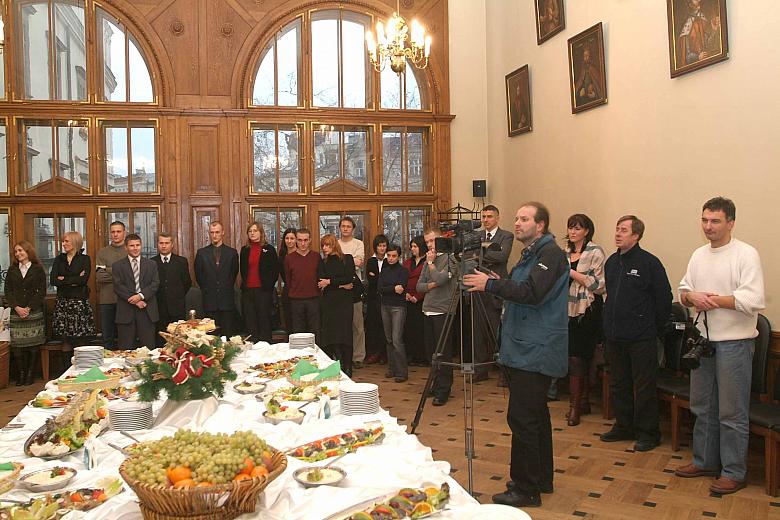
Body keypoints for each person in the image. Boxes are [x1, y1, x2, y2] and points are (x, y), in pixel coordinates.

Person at [463, 202, 568, 508]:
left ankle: (525, 488)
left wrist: (491, 284)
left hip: (536, 348)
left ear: (542, 225)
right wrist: (491, 281)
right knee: (536, 416)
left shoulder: (550, 254)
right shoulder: (532, 253)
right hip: (525, 346)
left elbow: (532, 293)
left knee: (522, 418)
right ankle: (541, 478)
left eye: (525, 219)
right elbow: (521, 287)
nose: (518, 223)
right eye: (517, 218)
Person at [675, 197, 765, 495]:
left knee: (731, 412)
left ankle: (734, 471)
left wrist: (711, 300)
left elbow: (753, 300)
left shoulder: (745, 254)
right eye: (704, 220)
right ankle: (704, 461)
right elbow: (684, 290)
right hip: (703, 342)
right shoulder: (699, 254)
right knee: (703, 406)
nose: (708, 226)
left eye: (715, 221)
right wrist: (692, 298)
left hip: (735, 344)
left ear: (731, 223)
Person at [599, 215, 672, 452]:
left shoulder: (649, 263)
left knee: (644, 387)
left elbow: (664, 299)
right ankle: (624, 426)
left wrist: (654, 328)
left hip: (642, 336)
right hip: (615, 335)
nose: (618, 234)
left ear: (636, 236)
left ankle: (648, 433)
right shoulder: (611, 262)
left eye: (623, 230)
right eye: (617, 229)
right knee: (619, 384)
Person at [563, 214, 606, 426]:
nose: (573, 232)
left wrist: (570, 272)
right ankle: (582, 401)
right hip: (567, 308)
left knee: (580, 357)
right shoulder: (566, 252)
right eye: (571, 228)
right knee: (574, 356)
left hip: (588, 309)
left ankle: (575, 407)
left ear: (586, 231)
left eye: (578, 228)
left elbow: (598, 285)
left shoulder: (595, 252)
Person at [471, 204, 514, 381]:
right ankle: (480, 371)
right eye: (484, 216)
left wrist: (479, 254)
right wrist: (484, 252)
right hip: (478, 289)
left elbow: (502, 257)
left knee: (499, 331)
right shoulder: (476, 236)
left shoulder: (507, 236)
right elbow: (469, 255)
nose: (486, 220)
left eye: (489, 216)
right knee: (478, 332)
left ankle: (505, 373)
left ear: (497, 218)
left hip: (497, 288)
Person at [417, 228, 458, 406]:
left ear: (441, 239)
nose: (429, 245)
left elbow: (442, 280)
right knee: (430, 352)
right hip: (428, 309)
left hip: (443, 310)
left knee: (443, 352)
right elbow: (419, 286)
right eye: (426, 242)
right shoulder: (428, 260)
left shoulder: (450, 259)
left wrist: (432, 266)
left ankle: (444, 388)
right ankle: (435, 383)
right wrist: (432, 283)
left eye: (432, 241)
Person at [4, 241, 47, 385]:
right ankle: (21, 375)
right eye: (16, 251)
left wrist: (28, 308)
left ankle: (30, 375)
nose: (18, 254)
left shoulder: (38, 269)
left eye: (20, 250)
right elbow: (8, 291)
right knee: (17, 346)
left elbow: (41, 291)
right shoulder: (12, 270)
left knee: (33, 345)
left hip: (33, 311)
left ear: (28, 251)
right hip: (16, 312)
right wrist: (16, 307)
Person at [50, 231, 96, 361]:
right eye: (63, 241)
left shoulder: (84, 259)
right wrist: (74, 279)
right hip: (63, 303)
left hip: (79, 303)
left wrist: (63, 279)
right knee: (65, 340)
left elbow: (83, 280)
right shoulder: (59, 259)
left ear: (75, 242)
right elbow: (53, 280)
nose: (63, 244)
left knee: (80, 339)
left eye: (66, 241)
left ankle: (81, 369)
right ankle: (66, 370)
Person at [112, 234, 160, 349]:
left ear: (141, 246)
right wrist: (136, 300)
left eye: (138, 245)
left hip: (147, 311)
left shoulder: (151, 264)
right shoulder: (117, 266)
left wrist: (140, 296)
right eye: (132, 245)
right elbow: (118, 286)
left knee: (149, 349)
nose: (135, 248)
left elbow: (155, 284)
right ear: (126, 247)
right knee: (126, 349)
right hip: (126, 312)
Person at [317, 234, 355, 376]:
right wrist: (341, 285)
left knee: (345, 334)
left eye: (327, 245)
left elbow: (349, 278)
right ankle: (334, 366)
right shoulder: (323, 262)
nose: (325, 248)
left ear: (334, 245)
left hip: (344, 303)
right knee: (330, 334)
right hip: (329, 302)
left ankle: (348, 366)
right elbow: (321, 281)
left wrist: (330, 282)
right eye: (323, 246)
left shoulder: (347, 259)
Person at [194, 221, 239, 337]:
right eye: (212, 232)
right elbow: (199, 276)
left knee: (227, 337)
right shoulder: (201, 253)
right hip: (209, 301)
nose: (214, 235)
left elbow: (233, 274)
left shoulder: (232, 253)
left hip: (227, 301)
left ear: (222, 233)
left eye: (217, 232)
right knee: (211, 338)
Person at [240, 222, 280, 343]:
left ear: (261, 233)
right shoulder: (245, 250)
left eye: (255, 230)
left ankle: (265, 349)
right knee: (250, 321)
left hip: (263, 291)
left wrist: (268, 287)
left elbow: (274, 271)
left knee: (264, 321)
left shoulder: (269, 249)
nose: (252, 233)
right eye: (250, 231)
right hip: (248, 292)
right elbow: (243, 270)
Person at [151, 232, 192, 344]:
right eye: (161, 243)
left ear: (172, 244)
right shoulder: (151, 262)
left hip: (177, 307)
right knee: (160, 341)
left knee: (178, 341)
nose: (164, 246)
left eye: (167, 243)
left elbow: (187, 283)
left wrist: (177, 296)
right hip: (158, 308)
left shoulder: (181, 261)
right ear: (157, 244)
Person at [337, 217, 367, 368]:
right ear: (339, 228)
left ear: (353, 229)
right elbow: (334, 265)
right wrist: (350, 261)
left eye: (348, 226)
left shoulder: (358, 243)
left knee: (357, 325)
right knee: (342, 324)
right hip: (338, 289)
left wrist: (343, 262)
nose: (346, 229)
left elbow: (359, 263)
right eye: (343, 226)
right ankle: (342, 356)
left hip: (355, 288)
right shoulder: (335, 244)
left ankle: (358, 357)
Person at [283, 228, 321, 343]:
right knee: (298, 333)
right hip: (296, 300)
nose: (303, 243)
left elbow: (320, 276)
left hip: (313, 299)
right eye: (299, 240)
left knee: (315, 332)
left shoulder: (316, 256)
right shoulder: (289, 258)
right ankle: (300, 359)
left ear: (310, 240)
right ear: (296, 241)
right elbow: (288, 279)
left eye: (305, 240)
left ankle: (315, 359)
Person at [379, 244, 409, 383]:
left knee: (397, 339)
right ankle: (392, 369)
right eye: (389, 255)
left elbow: (401, 289)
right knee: (389, 339)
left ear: (399, 257)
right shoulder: (384, 271)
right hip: (385, 306)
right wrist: (392, 288)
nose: (391, 258)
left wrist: (388, 289)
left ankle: (402, 372)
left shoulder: (403, 271)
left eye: (394, 256)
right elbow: (380, 289)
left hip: (398, 307)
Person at [95, 221, 127, 350]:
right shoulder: (102, 253)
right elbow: (100, 276)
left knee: (125, 336)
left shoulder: (129, 250)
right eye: (113, 232)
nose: (115, 234)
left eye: (118, 231)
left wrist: (109, 269)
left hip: (126, 299)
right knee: (108, 338)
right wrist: (121, 273)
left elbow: (132, 276)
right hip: (107, 300)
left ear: (124, 233)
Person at [403, 236, 427, 366]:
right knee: (409, 328)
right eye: (411, 246)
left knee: (421, 329)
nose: (413, 249)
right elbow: (402, 278)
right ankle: (411, 355)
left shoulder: (426, 262)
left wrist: (417, 297)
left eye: (415, 246)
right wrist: (406, 294)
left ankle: (422, 357)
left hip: (421, 300)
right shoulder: (407, 262)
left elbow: (427, 281)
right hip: (407, 299)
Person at [365, 234, 389, 364]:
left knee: (385, 326)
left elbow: (388, 280)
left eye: (384, 245)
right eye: (379, 245)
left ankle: (385, 354)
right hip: (373, 298)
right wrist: (380, 278)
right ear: (376, 247)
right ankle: (374, 353)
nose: (382, 248)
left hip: (387, 298)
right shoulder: (371, 261)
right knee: (373, 325)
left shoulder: (389, 260)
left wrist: (377, 277)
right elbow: (371, 280)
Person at [678, 0, 721, 66]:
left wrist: (714, 31)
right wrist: (698, 57)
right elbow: (686, 56)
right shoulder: (688, 24)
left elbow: (708, 45)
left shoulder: (704, 19)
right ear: (690, 3)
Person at [277, 228, 297, 333]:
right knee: (289, 321)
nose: (289, 241)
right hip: (288, 291)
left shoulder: (301, 254)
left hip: (301, 291)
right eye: (287, 238)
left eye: (292, 238)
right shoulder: (281, 256)